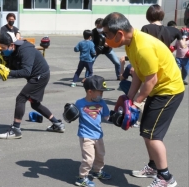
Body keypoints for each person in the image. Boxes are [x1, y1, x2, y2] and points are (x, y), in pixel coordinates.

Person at [102, 12, 184, 187]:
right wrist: (129, 98)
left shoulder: (143, 47)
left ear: (119, 34)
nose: (105, 39)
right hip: (157, 90)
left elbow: (151, 80)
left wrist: (136, 104)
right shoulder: (131, 44)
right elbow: (139, 75)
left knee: (153, 135)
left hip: (169, 91)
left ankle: (166, 178)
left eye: (107, 35)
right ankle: (154, 167)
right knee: (146, 131)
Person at [0, 32, 65, 139]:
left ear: (12, 45)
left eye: (3, 47)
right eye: (1, 47)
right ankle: (58, 124)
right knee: (35, 104)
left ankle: (16, 130)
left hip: (40, 76)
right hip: (37, 76)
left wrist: (8, 72)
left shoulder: (25, 50)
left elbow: (26, 72)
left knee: (21, 98)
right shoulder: (12, 51)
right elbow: (9, 65)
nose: (2, 50)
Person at [75, 75, 111, 187]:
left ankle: (97, 171)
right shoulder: (79, 103)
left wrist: (119, 117)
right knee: (88, 158)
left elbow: (107, 117)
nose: (102, 95)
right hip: (86, 136)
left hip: (98, 135)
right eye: (100, 92)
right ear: (90, 92)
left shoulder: (102, 103)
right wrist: (69, 113)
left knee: (100, 155)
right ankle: (82, 178)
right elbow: (71, 116)